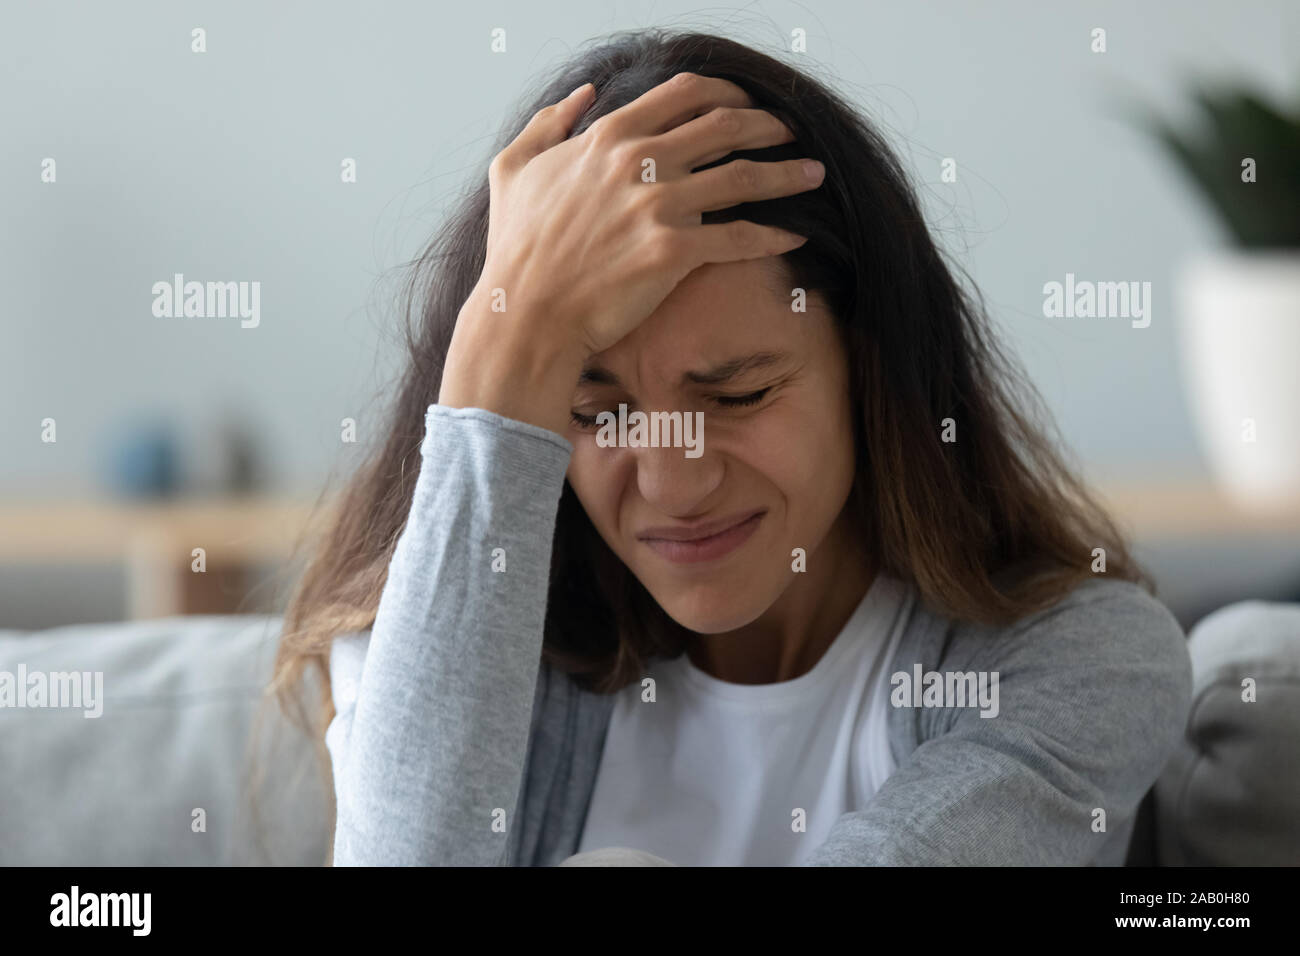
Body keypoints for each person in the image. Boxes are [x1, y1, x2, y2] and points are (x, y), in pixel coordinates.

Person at [272, 29, 1192, 866]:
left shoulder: (1084, 665)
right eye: (594, 412)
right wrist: (503, 347)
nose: (673, 482)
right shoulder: (438, 629)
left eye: (738, 394)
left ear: (873, 369)